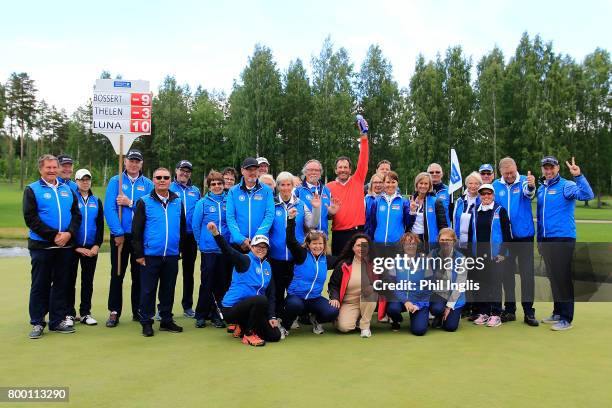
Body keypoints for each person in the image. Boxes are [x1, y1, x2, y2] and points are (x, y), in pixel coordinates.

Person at [24, 154, 82, 339]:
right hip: (42, 246)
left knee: (61, 284)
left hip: (64, 246)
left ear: (58, 169)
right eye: (47, 168)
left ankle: (56, 321)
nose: (51, 171)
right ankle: (38, 322)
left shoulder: (68, 189)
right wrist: (54, 236)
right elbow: (31, 218)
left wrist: (69, 234)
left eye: (54, 167)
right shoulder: (32, 189)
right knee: (40, 284)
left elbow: (76, 215)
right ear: (41, 169)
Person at [537, 156, 594, 331]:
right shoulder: (541, 188)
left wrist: (579, 176)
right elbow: (541, 217)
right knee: (553, 277)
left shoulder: (567, 185)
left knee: (562, 278)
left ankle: (566, 318)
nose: (548, 171)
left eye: (551, 168)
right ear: (542, 170)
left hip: (563, 238)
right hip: (546, 239)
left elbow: (587, 195)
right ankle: (557, 312)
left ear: (558, 168)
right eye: (545, 168)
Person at [132, 168, 186, 337]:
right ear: (153, 180)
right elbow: (136, 232)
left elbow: (182, 228)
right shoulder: (144, 201)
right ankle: (146, 322)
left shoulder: (178, 201)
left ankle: (166, 320)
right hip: (150, 254)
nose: (162, 180)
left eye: (166, 177)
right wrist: (139, 255)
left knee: (168, 289)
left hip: (170, 254)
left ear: (171, 180)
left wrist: (179, 249)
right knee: (148, 290)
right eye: (158, 177)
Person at [208, 222, 281, 347]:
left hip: (252, 309)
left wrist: (272, 316)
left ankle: (242, 326)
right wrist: (216, 234)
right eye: (257, 246)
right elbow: (228, 251)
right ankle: (248, 334)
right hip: (231, 309)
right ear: (251, 247)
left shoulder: (267, 266)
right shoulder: (245, 260)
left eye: (264, 247)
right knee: (261, 300)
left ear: (267, 249)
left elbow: (272, 294)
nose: (261, 249)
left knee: (275, 335)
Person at [104, 149, 154, 327]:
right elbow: (109, 208)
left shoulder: (147, 184)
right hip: (121, 235)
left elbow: (148, 210)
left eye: (137, 161)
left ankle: (138, 310)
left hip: (139, 237)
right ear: (125, 162)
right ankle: (114, 311)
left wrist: (129, 203)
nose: (133, 164)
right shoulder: (115, 181)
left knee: (139, 275)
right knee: (117, 273)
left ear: (141, 164)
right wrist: (117, 232)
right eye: (131, 161)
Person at [492, 157, 539, 326]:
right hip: (506, 239)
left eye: (512, 172)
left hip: (524, 236)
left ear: (516, 168)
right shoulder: (496, 186)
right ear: (501, 173)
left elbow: (529, 192)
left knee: (527, 275)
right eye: (506, 174)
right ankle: (510, 310)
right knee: (507, 275)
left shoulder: (525, 182)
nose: (510, 176)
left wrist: (532, 185)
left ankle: (528, 312)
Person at [269, 172, 321, 319]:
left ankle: (294, 317)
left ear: (293, 186)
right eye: (282, 185)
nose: (285, 188)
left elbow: (312, 224)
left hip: (296, 257)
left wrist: (316, 208)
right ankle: (278, 317)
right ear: (277, 187)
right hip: (276, 256)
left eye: (288, 184)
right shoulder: (271, 204)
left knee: (294, 289)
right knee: (277, 290)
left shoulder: (300, 204)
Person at [280, 209, 339, 337]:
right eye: (314, 243)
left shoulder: (326, 260)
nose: (317, 246)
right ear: (308, 244)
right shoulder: (302, 255)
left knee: (332, 311)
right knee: (294, 305)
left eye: (320, 244)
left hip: (314, 299)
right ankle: (285, 326)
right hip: (296, 297)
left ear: (324, 245)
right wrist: (291, 220)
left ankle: (316, 320)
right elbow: (290, 241)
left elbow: (343, 257)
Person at [468, 184, 512, 328]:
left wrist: (502, 253)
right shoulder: (475, 211)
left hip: (495, 256)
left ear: (493, 195)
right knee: (483, 285)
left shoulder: (500, 210)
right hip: (479, 255)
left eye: (488, 194)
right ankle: (485, 312)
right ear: (480, 196)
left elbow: (507, 235)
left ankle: (496, 314)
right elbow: (470, 234)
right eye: (483, 194)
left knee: (495, 285)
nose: (485, 197)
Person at [192, 171, 230, 328]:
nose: (216, 186)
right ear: (209, 186)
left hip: (225, 248)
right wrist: (201, 243)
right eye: (213, 184)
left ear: (223, 185)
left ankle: (217, 315)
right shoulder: (203, 202)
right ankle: (201, 314)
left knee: (222, 283)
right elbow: (195, 225)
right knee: (207, 283)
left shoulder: (229, 201)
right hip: (209, 249)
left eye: (219, 183)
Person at [67, 169, 104, 326]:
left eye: (88, 179)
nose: (85, 182)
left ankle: (85, 313)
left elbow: (100, 225)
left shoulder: (96, 201)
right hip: (73, 248)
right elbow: (68, 225)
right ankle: (68, 313)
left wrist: (96, 245)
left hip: (91, 248)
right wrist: (75, 247)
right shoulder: (70, 199)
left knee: (87, 282)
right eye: (82, 180)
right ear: (76, 181)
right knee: (70, 281)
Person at [327, 123, 369, 255]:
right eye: (340, 167)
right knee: (340, 268)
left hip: (357, 232)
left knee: (359, 267)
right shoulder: (328, 187)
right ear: (335, 170)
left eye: (346, 167)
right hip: (339, 234)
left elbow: (363, 158)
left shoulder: (358, 180)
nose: (343, 170)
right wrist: (330, 213)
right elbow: (326, 214)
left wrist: (364, 136)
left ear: (350, 169)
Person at [327, 233, 377, 337]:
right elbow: (333, 284)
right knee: (344, 327)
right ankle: (355, 318)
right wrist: (334, 297)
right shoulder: (343, 264)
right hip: (349, 303)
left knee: (372, 290)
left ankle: (365, 326)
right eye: (358, 245)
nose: (362, 248)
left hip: (367, 300)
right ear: (353, 248)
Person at [169, 160, 201, 318]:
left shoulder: (195, 191)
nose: (185, 173)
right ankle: (165, 307)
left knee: (188, 272)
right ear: (176, 170)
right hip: (174, 235)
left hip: (191, 237)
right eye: (182, 170)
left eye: (188, 171)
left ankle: (187, 306)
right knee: (170, 272)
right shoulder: (169, 187)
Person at [384, 233, 431, 335]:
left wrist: (418, 305)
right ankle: (396, 320)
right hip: (401, 299)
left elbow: (429, 286)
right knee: (392, 309)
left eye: (413, 243)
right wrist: (406, 301)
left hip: (419, 300)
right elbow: (392, 285)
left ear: (417, 245)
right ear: (402, 246)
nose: (410, 246)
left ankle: (422, 316)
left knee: (419, 331)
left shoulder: (425, 261)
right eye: (407, 244)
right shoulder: (395, 261)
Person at [226, 157, 275, 252]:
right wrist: (240, 239)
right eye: (249, 169)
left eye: (255, 169)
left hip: (260, 243)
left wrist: (258, 237)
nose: (252, 172)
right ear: (242, 171)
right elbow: (230, 217)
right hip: (238, 244)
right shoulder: (233, 191)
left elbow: (269, 215)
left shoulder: (267, 190)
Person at [428, 228, 467, 332]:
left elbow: (460, 285)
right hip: (438, 293)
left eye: (448, 240)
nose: (445, 242)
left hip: (454, 295)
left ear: (454, 241)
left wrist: (449, 306)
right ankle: (439, 315)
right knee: (436, 308)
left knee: (450, 327)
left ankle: (452, 313)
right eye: (442, 239)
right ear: (438, 240)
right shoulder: (432, 254)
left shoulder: (461, 258)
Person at [294, 159, 339, 237]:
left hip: (323, 238)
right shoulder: (298, 191)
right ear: (305, 172)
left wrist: (331, 213)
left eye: (316, 170)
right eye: (310, 170)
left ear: (320, 173)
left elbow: (327, 215)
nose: (314, 172)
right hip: (305, 238)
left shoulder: (326, 190)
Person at [365, 171, 411, 245]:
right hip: (379, 243)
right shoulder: (376, 201)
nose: (390, 185)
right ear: (383, 183)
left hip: (397, 244)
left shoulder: (404, 202)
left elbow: (408, 223)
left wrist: (412, 212)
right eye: (388, 182)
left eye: (393, 182)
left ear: (397, 183)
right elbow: (372, 224)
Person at [407, 172, 448, 249]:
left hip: (429, 240)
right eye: (421, 183)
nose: (423, 186)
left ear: (429, 186)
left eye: (426, 184)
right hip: (413, 239)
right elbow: (406, 223)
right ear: (416, 185)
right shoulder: (409, 201)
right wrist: (412, 212)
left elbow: (443, 225)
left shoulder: (436, 201)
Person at [452, 171, 482, 247]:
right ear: (466, 184)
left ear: (480, 185)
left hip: (475, 242)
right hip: (459, 241)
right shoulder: (459, 201)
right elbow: (455, 221)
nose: (473, 186)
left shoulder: (482, 201)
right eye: (470, 183)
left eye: (476, 183)